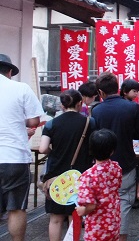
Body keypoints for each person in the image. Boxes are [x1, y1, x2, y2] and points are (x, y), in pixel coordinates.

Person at [92, 72, 139, 241]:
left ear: (100, 92)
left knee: (101, 202)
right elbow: (138, 134)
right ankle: (121, 238)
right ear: (118, 88)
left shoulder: (96, 110)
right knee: (124, 203)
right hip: (126, 162)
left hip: (102, 165)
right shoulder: (132, 108)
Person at [39, 89, 96, 241]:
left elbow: (43, 148)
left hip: (56, 175)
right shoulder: (89, 122)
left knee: (56, 218)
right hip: (79, 175)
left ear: (62, 106)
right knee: (75, 215)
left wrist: (55, 151)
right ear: (80, 104)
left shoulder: (51, 124)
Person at [0, 53, 42, 241]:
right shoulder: (21, 88)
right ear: (9, 72)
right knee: (16, 207)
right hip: (14, 157)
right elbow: (34, 120)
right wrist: (19, 123)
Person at [76, 129, 122, 241]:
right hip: (113, 220)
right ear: (112, 151)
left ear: (91, 149)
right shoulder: (116, 167)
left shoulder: (89, 175)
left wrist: (82, 210)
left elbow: (91, 206)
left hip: (97, 226)